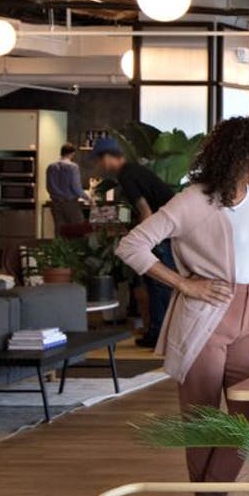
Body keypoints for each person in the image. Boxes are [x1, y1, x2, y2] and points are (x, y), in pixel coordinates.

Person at [117, 116, 249, 484]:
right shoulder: (193, 201)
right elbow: (131, 246)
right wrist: (183, 285)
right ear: (240, 157)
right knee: (203, 423)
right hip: (205, 322)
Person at [90, 136, 179, 347]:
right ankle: (163, 333)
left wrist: (142, 241)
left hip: (161, 233)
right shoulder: (135, 170)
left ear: (108, 157)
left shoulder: (127, 176)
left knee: (157, 283)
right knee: (161, 283)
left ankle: (158, 335)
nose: (100, 165)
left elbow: (145, 211)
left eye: (100, 160)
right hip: (170, 229)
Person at [45, 142, 87, 229]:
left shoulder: (51, 167)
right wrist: (88, 198)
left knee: (60, 230)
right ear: (72, 154)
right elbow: (76, 188)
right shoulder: (73, 167)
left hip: (56, 203)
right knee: (77, 229)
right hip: (70, 203)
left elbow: (49, 186)